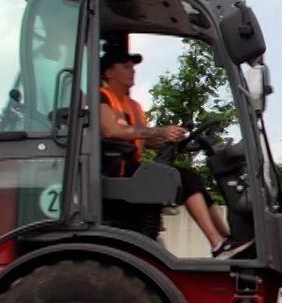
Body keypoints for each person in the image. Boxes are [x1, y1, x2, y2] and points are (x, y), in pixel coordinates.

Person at [98, 46, 249, 258]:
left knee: (192, 178)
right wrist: (160, 131)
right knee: (182, 178)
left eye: (133, 66)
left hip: (132, 168)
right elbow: (110, 130)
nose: (132, 70)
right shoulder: (101, 98)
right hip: (114, 170)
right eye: (126, 66)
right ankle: (217, 243)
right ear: (109, 72)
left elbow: (146, 140)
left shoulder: (134, 106)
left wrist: (172, 137)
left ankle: (226, 239)